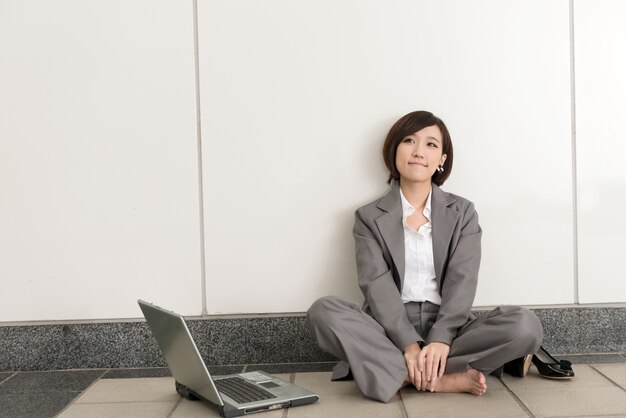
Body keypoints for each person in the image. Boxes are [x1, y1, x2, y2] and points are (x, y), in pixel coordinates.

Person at [307, 110, 544, 403]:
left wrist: (441, 338)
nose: (419, 152)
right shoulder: (368, 217)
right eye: (409, 141)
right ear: (394, 150)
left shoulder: (463, 213)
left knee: (526, 325)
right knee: (323, 312)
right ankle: (439, 380)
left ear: (442, 159)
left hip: (450, 325)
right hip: (387, 329)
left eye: (431, 144)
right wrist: (408, 343)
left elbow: (463, 279)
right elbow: (375, 284)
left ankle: (393, 372)